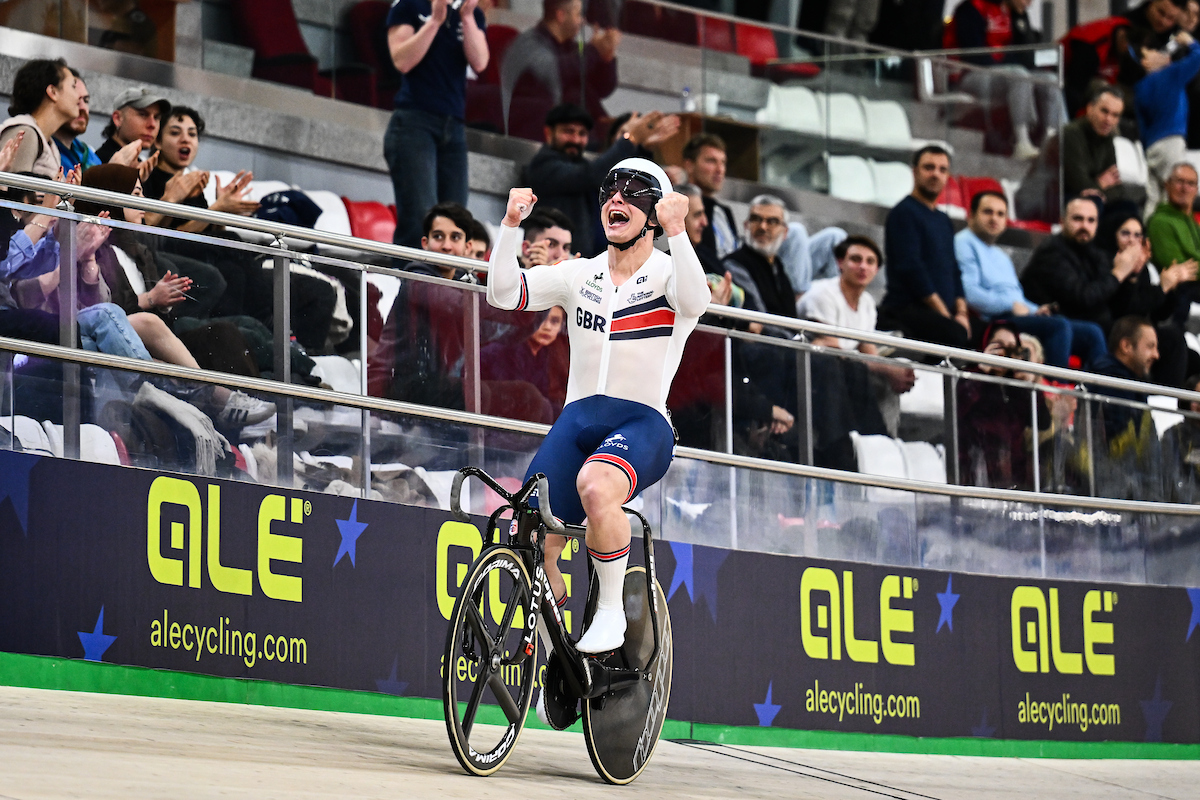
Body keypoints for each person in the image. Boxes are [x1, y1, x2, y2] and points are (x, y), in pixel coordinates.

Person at [487, 159, 708, 662]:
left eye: (633, 193)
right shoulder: (579, 274)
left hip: (643, 422)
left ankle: (609, 607)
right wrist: (509, 226)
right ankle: (554, 656)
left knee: (595, 485)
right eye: (610, 189)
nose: (617, 200)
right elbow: (502, 293)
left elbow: (697, 302)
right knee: (531, 530)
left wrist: (679, 233)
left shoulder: (670, 273)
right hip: (577, 420)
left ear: (654, 212)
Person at [956, 190, 1108, 367]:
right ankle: (1056, 390)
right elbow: (970, 294)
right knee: (1059, 326)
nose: (994, 219)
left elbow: (1017, 298)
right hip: (991, 320)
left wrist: (1035, 310)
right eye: (987, 212)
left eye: (1000, 214)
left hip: (1014, 315)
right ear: (971, 215)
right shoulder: (964, 242)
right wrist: (1011, 305)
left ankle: (1100, 392)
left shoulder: (1000, 255)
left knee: (1092, 332)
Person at [384, 0, 489, 248]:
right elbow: (402, 60)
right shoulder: (408, 5)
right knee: (420, 216)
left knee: (455, 219)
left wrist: (467, 17)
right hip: (414, 121)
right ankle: (407, 282)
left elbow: (480, 62)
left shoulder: (471, 14)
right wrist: (434, 22)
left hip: (453, 126)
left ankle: (446, 286)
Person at [797, 235, 916, 440]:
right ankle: (858, 442)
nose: (863, 267)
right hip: (812, 368)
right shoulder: (822, 294)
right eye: (855, 259)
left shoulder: (868, 302)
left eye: (870, 262)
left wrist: (894, 370)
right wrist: (887, 368)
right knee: (854, 370)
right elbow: (831, 350)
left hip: (847, 369)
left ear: (877, 270)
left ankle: (882, 442)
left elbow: (868, 351)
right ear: (840, 263)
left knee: (877, 373)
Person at [523, 103, 678, 256]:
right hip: (556, 259)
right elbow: (591, 175)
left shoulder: (584, 166)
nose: (576, 140)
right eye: (568, 132)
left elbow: (624, 182)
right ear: (549, 132)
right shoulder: (542, 166)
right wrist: (631, 139)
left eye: (582, 133)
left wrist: (644, 149)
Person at [878, 146, 979, 349]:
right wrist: (944, 314)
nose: (936, 174)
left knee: (986, 336)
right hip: (907, 309)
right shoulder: (904, 213)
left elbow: (953, 269)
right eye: (929, 167)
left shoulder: (944, 220)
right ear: (914, 172)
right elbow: (911, 268)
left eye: (942, 170)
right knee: (956, 336)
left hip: (943, 313)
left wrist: (960, 313)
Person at [946, 0, 1062, 159]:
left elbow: (1023, 54)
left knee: (1049, 79)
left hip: (1003, 72)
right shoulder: (970, 9)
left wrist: (1020, 20)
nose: (1029, 3)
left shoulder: (1009, 11)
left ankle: (1051, 142)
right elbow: (973, 55)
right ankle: (1022, 142)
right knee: (1018, 74)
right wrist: (1007, 63)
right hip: (970, 74)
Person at [1015, 85, 1146, 222]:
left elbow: (1117, 188)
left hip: (1081, 199)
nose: (1109, 120)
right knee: (1094, 206)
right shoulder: (1071, 134)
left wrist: (1098, 187)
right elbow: (1081, 186)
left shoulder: (1107, 138)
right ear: (1090, 109)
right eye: (1104, 111)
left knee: (1128, 208)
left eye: (1115, 115)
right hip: (1047, 201)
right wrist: (1100, 184)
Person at [1096, 207, 1195, 387]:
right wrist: (1150, 284)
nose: (1132, 241)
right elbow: (1125, 310)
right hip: (1114, 330)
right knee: (1172, 339)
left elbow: (1159, 314)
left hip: (1139, 331)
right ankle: (1165, 402)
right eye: (1126, 234)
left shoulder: (1141, 268)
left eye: (1138, 235)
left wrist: (1171, 288)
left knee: (1193, 358)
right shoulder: (1103, 261)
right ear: (1113, 234)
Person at [1020, 197, 1146, 333]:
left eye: (1091, 220)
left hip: (1085, 324)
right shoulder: (1052, 252)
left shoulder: (1094, 252)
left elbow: (1116, 306)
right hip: (1053, 325)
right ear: (1062, 222)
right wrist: (1118, 273)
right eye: (1078, 219)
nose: (1085, 226)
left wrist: (1131, 276)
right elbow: (1083, 298)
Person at [501, 0, 620, 143]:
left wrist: (606, 59)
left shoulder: (571, 48)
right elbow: (553, 72)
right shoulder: (528, 43)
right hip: (535, 129)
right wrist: (594, 51)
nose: (583, 21)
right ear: (561, 15)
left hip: (575, 130)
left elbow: (602, 89)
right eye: (578, 15)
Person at [956, 321, 1050, 490]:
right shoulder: (970, 376)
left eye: (1011, 348)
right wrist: (982, 370)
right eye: (998, 346)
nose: (1004, 353)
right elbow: (958, 410)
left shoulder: (1016, 387)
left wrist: (1029, 385)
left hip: (1013, 476)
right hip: (977, 473)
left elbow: (1042, 422)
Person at [1090, 315, 1165, 499]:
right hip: (1112, 497)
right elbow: (1117, 451)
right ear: (1126, 346)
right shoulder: (1109, 383)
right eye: (1150, 346)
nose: (1156, 355)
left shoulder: (1132, 387)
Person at [1133, 30, 1200, 212]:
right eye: (1155, 52)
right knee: (1174, 198)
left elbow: (1142, 125)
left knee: (1154, 200)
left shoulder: (1139, 87)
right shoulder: (1170, 75)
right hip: (1171, 144)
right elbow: (1198, 58)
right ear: (1145, 61)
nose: (1164, 53)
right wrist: (1190, 42)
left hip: (1151, 148)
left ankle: (1147, 237)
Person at [0, 58, 82, 177]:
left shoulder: (49, 144)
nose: (79, 96)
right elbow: (14, 193)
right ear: (53, 92)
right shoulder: (25, 133)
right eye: (73, 86)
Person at [682, 133, 738, 259]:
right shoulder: (679, 205)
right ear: (689, 166)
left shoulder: (724, 212)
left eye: (723, 163)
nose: (720, 170)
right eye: (711, 161)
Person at [94, 86, 170, 170]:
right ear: (118, 118)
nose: (152, 124)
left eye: (156, 117)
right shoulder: (97, 163)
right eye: (143, 114)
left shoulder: (143, 168)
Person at [52, 68, 99, 173]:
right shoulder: (44, 149)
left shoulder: (87, 153)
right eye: (76, 99)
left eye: (86, 100)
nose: (82, 107)